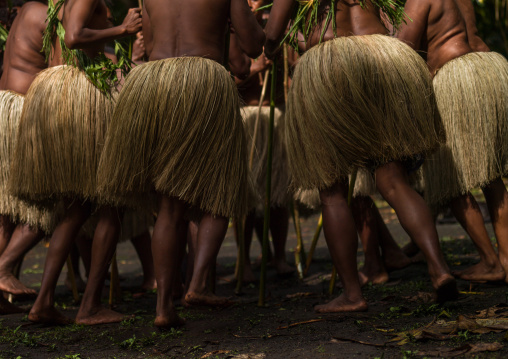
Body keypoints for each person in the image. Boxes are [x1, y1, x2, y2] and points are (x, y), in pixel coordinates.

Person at [264, 0, 457, 313]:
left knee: (332, 189)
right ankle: (439, 268)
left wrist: (272, 49)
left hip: (332, 60)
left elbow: (273, 33)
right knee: (393, 180)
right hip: (382, 53)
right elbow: (392, 17)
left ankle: (353, 294)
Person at [97, 0, 264, 328]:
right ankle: (198, 284)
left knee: (169, 205)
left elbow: (149, 41)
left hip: (155, 82)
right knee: (220, 191)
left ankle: (163, 307)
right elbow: (254, 45)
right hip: (201, 79)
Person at [9, 0, 142, 325]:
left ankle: (43, 303)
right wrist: (123, 29)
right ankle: (89, 306)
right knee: (111, 199)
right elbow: (73, 37)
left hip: (67, 91)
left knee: (79, 205)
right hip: (77, 96)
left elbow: (81, 46)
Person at [397, 0, 508, 283]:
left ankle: (491, 262)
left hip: (453, 77)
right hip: (483, 69)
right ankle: (507, 257)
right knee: (491, 178)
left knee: (452, 184)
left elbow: (402, 50)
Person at [234, 0, 293, 283]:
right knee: (246, 197)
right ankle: (243, 262)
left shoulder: (278, 28)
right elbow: (230, 75)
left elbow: (292, 70)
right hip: (247, 117)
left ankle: (279, 256)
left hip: (275, 114)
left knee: (277, 194)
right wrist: (256, 68)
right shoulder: (234, 27)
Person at [0, 1, 52, 314]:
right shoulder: (47, 15)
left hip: (3, 107)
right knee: (45, 203)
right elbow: (62, 71)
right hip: (21, 112)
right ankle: (3, 268)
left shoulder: (23, 12)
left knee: (4, 210)